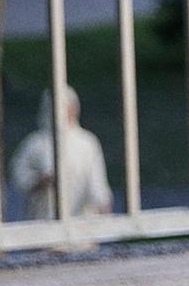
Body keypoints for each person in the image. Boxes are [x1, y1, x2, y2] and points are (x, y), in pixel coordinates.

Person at [12, 83, 114, 220]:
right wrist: (39, 181)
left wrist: (103, 204)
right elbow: (18, 174)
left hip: (81, 223)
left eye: (70, 106)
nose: (68, 111)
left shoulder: (87, 142)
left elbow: (96, 182)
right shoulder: (36, 143)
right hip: (44, 221)